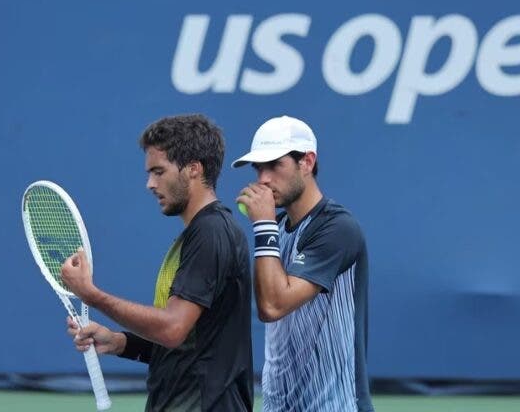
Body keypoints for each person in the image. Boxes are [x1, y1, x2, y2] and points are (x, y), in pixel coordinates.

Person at [60, 114, 253, 412]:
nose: (150, 183)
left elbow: (172, 329)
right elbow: (190, 343)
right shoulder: (196, 235)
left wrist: (91, 295)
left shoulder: (211, 232)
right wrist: (118, 342)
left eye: (159, 171)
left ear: (193, 169)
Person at [233, 115, 374, 412]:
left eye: (275, 165)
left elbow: (272, 305)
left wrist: (263, 226)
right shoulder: (277, 228)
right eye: (259, 168)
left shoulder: (338, 228)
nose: (263, 179)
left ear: (307, 162)